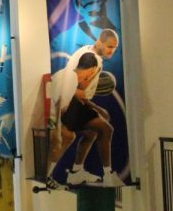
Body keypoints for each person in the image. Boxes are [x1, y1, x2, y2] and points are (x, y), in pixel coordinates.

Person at [50, 30, 121, 185]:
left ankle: (76, 171)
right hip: (72, 103)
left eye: (115, 48)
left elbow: (73, 81)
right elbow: (72, 84)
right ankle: (108, 176)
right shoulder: (92, 59)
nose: (112, 51)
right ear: (99, 42)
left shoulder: (85, 51)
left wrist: (94, 106)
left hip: (74, 100)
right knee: (106, 129)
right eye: (110, 46)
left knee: (91, 133)